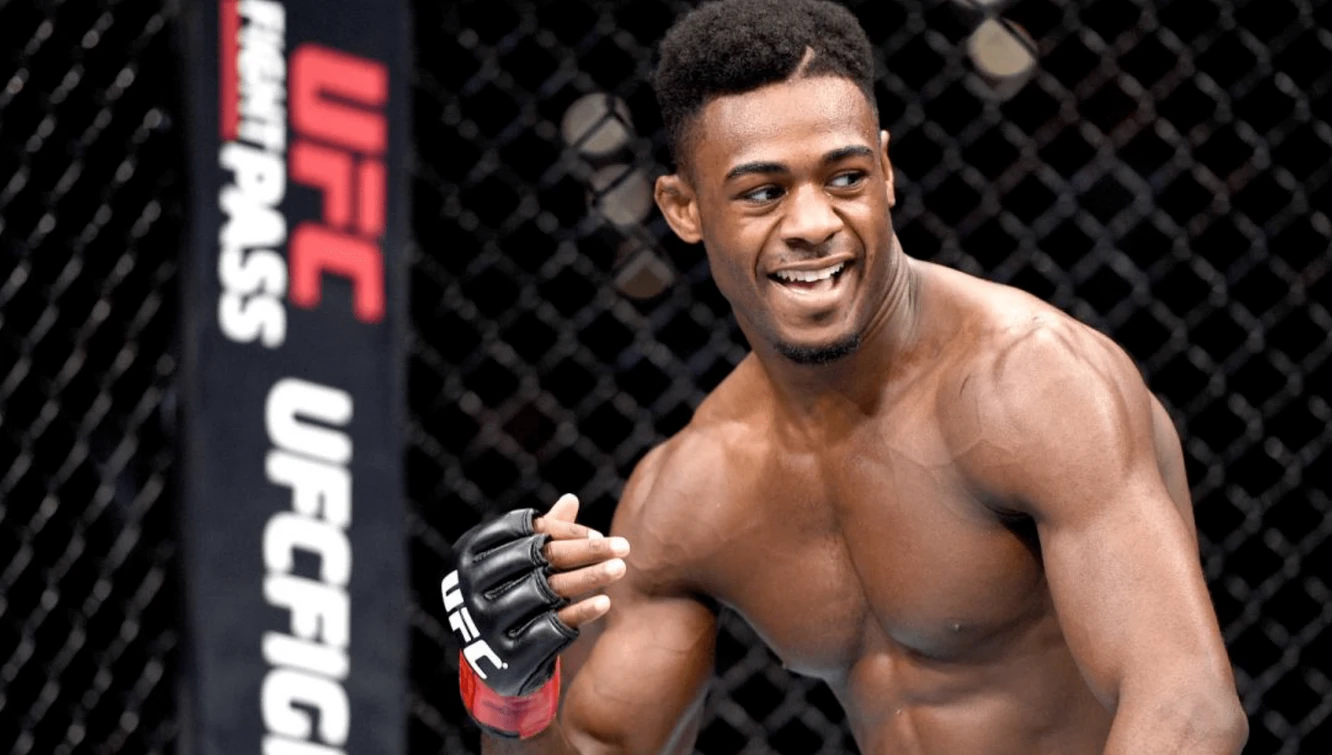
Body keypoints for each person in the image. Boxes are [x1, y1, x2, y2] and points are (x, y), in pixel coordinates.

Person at [439, 1, 1248, 752]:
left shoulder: (1029, 383)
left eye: (845, 178)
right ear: (684, 208)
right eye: (763, 192)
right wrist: (510, 695)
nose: (813, 223)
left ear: (886, 170)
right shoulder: (691, 491)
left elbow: (1187, 704)